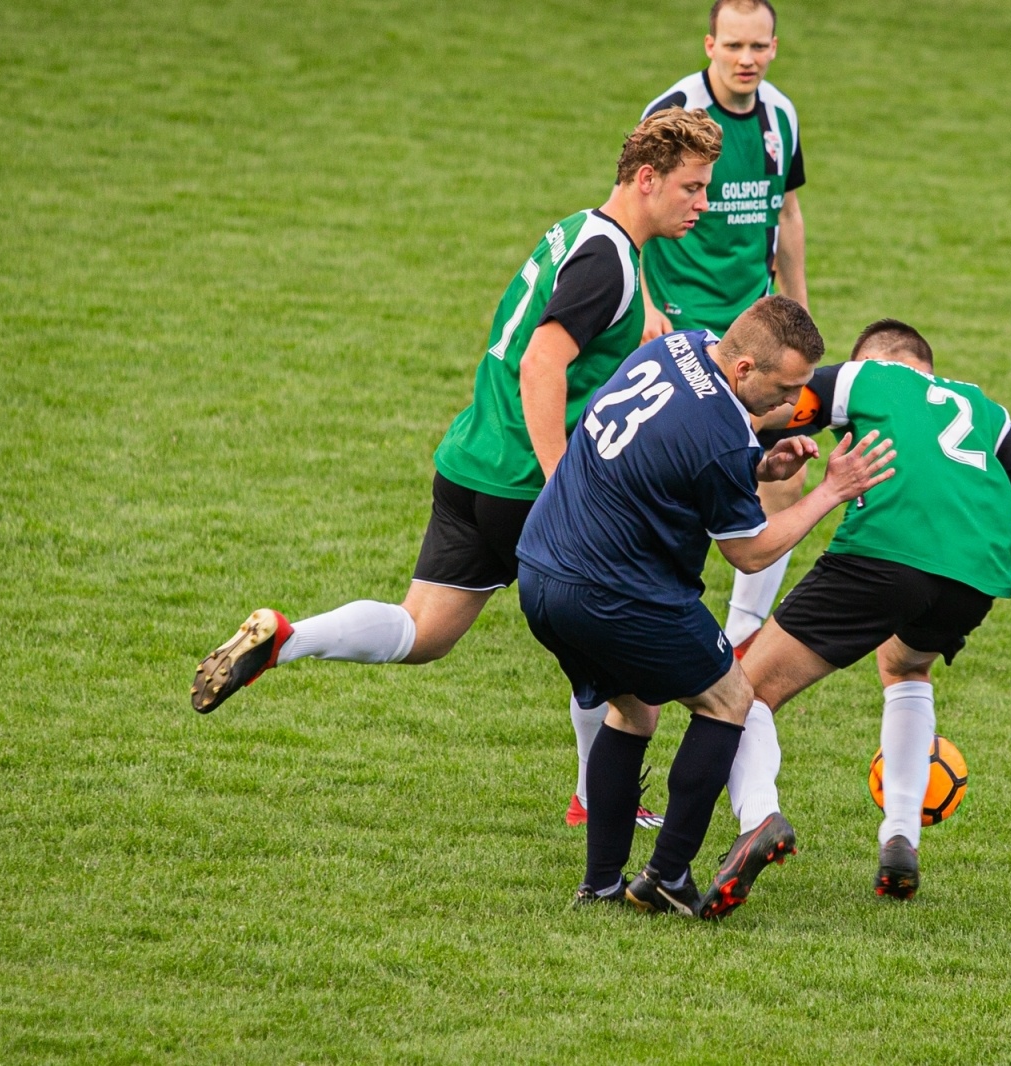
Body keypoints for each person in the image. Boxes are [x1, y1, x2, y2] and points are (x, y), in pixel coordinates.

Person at [191, 110, 723, 831]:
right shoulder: (609, 263)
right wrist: (566, 481)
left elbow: (581, 314)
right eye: (693, 188)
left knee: (424, 630)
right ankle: (599, 802)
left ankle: (288, 636)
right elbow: (543, 364)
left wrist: (648, 315)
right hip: (529, 488)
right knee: (630, 675)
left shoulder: (583, 232)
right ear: (647, 178)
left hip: (471, 466)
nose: (703, 203)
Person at [699, 319, 1011, 918]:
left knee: (744, 692)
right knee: (905, 666)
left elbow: (763, 405)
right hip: (974, 577)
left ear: (874, 358)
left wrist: (757, 453)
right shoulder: (986, 411)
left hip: (884, 556)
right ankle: (900, 835)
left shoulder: (864, 377)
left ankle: (758, 818)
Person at [514, 297, 894, 914]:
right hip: (616, 591)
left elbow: (676, 455)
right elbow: (750, 553)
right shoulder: (720, 434)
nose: (794, 405)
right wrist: (831, 490)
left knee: (633, 711)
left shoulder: (678, 346)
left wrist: (761, 465)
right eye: (786, 388)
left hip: (542, 567)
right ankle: (667, 873)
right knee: (731, 699)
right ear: (744, 369)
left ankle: (601, 884)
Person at [639, 0, 812, 658]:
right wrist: (646, 303)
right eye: (734, 45)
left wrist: (797, 309)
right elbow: (629, 210)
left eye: (759, 47)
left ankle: (740, 635)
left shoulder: (782, 116)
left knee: (785, 473)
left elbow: (788, 213)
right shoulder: (675, 113)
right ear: (709, 43)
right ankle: (644, 598)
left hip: (759, 328)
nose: (747, 60)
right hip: (683, 329)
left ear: (774, 47)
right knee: (676, 472)